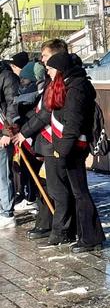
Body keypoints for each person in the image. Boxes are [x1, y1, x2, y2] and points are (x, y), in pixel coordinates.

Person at [41, 52, 105, 253]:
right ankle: (87, 234)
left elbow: (74, 122)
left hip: (74, 147)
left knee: (80, 193)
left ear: (59, 70)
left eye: (50, 69)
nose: (48, 72)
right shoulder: (69, 84)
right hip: (68, 147)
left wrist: (63, 150)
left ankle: (90, 238)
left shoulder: (76, 88)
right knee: (77, 192)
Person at [13, 40, 73, 242]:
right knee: (45, 186)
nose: (42, 61)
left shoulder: (63, 82)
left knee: (57, 189)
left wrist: (24, 132)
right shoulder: (50, 81)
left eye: (45, 57)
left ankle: (61, 230)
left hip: (54, 142)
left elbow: (47, 113)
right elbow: (39, 108)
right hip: (44, 142)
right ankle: (47, 223)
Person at [8, 61, 46, 213]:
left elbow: (38, 116)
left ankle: (34, 199)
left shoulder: (38, 95)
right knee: (26, 170)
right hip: (26, 136)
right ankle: (31, 197)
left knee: (36, 173)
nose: (22, 83)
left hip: (35, 138)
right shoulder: (24, 95)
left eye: (25, 80)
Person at [0, 58, 19, 228]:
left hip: (3, 132)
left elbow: (13, 105)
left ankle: (6, 212)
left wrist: (8, 132)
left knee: (3, 174)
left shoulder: (6, 76)